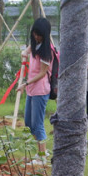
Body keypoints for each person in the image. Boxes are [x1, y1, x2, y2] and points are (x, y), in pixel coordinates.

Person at [17, 17, 53, 160]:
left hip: (40, 90)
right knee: (28, 123)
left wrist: (25, 83)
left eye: (39, 35)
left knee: (37, 125)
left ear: (45, 34)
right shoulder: (36, 44)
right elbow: (26, 51)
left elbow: (42, 73)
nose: (36, 37)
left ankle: (42, 156)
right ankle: (40, 150)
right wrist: (24, 52)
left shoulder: (46, 50)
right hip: (31, 90)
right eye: (34, 34)